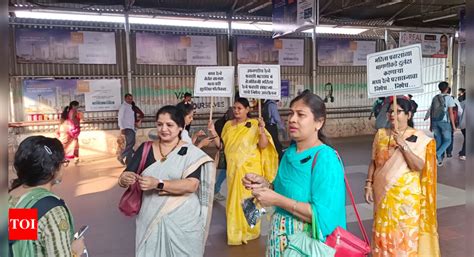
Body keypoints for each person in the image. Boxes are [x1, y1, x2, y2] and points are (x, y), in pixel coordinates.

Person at [242, 91, 347, 257]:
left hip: (307, 247)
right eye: (291, 113)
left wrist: (276, 200)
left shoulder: (325, 159)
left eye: (301, 114)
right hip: (279, 242)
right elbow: (283, 189)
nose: (292, 119)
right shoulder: (289, 153)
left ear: (318, 123)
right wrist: (265, 185)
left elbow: (324, 216)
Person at [117, 105, 216, 257]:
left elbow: (192, 185)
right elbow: (126, 175)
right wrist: (124, 179)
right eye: (160, 124)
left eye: (169, 125)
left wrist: (158, 183)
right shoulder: (145, 149)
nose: (164, 129)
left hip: (184, 220)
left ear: (181, 127)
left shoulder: (191, 153)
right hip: (151, 217)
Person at [365, 97, 440, 257]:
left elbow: (418, 166)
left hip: (406, 200)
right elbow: (373, 162)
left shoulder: (419, 138)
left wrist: (403, 145)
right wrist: (368, 184)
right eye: (390, 111)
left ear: (409, 114)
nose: (393, 114)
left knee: (404, 240)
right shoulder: (381, 135)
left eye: (398, 111)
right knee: (383, 235)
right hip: (383, 196)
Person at [209, 97, 278, 245]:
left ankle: (251, 230)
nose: (236, 111)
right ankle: (235, 231)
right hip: (234, 170)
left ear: (248, 109)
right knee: (233, 198)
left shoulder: (254, 124)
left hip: (251, 170)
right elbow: (221, 146)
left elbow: (264, 145)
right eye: (234, 108)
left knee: (251, 200)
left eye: (239, 108)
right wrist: (213, 131)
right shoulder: (228, 125)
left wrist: (261, 131)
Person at [9, 136, 86, 257]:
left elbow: (20, 245)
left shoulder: (12, 197)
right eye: (63, 163)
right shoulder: (51, 210)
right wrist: (75, 252)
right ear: (52, 169)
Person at [426, 82, 456, 166]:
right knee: (448, 140)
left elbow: (431, 111)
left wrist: (431, 124)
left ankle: (439, 162)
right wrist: (453, 126)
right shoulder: (449, 98)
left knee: (438, 141)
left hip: (435, 122)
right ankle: (437, 154)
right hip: (444, 122)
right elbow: (450, 113)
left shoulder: (435, 97)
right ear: (447, 88)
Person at [213, 108, 234, 201]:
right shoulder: (228, 125)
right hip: (228, 150)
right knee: (225, 171)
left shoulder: (219, 123)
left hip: (226, 150)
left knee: (225, 171)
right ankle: (215, 189)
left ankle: (215, 189)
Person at [118, 93, 136, 165]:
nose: (130, 100)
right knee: (131, 144)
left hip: (132, 127)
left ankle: (128, 162)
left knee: (131, 144)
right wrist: (121, 127)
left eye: (131, 99)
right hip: (126, 128)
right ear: (125, 99)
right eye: (128, 98)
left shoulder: (131, 106)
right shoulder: (123, 106)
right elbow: (120, 117)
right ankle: (121, 156)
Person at [445, 87, 463, 158]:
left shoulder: (438, 98)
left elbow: (431, 108)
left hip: (441, 121)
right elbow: (460, 111)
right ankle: (449, 153)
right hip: (451, 121)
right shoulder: (453, 99)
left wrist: (427, 117)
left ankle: (441, 154)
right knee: (450, 136)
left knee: (440, 137)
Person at [458, 89, 466, 160]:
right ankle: (463, 153)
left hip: (462, 125)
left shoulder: (462, 103)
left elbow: (459, 113)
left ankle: (462, 152)